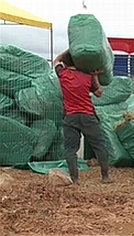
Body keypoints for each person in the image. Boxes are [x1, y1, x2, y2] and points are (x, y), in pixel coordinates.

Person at [53, 49, 112, 184]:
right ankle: (105, 176)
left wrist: (70, 49)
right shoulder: (86, 76)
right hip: (88, 115)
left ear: (65, 63)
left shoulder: (62, 74)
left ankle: (75, 178)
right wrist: (95, 76)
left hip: (70, 116)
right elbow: (99, 93)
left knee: (70, 149)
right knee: (99, 145)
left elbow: (57, 60)